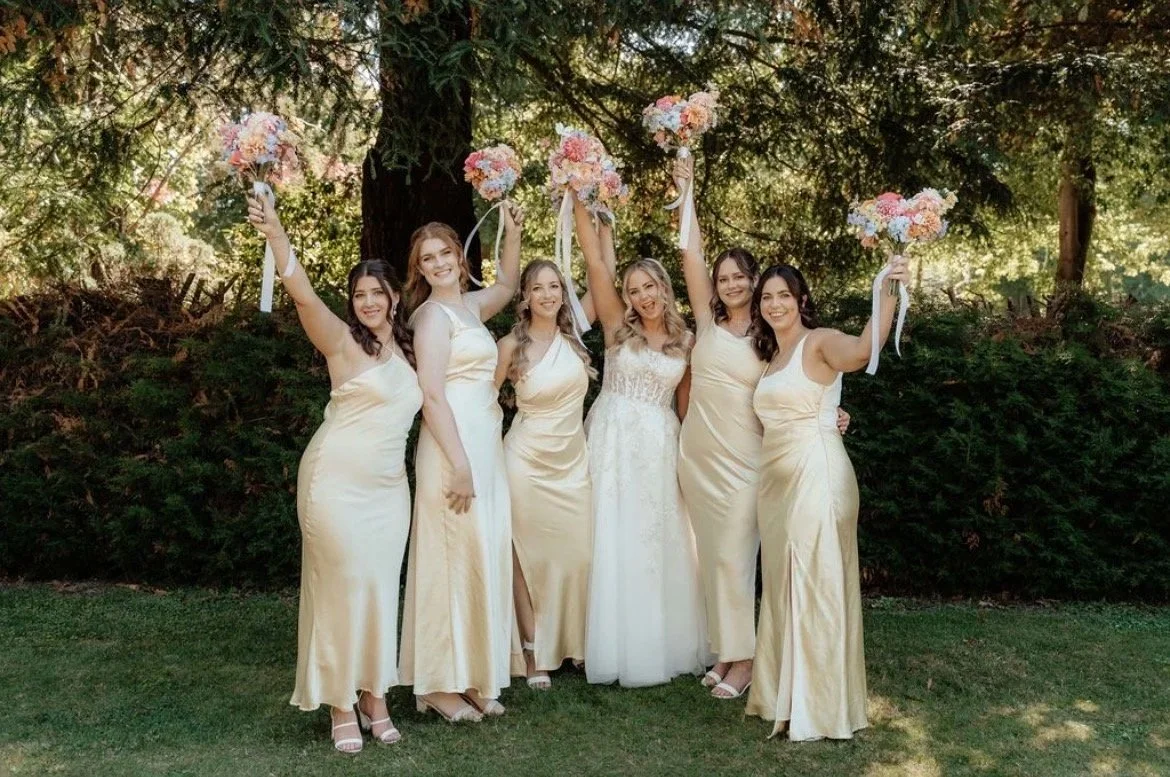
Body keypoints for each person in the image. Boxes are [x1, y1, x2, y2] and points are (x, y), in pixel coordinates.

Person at [246, 196, 420, 752]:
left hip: (391, 491)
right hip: (334, 484)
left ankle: (375, 695)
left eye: (377, 293)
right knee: (341, 586)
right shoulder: (341, 342)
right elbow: (301, 292)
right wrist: (276, 234)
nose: (367, 302)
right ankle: (341, 703)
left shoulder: (415, 351)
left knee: (376, 589)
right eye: (359, 295)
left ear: (394, 297)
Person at [672, 157, 848, 700]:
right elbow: (690, 252)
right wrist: (687, 190)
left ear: (756, 282)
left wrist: (832, 414)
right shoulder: (706, 320)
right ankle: (727, 652)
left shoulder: (773, 336)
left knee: (733, 555)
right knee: (711, 558)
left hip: (747, 460)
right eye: (721, 279)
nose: (727, 285)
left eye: (738, 278)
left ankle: (745, 660)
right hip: (696, 455)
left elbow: (808, 380)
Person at [744, 259, 909, 740]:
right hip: (776, 484)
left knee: (817, 584)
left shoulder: (820, 341)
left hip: (817, 474)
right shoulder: (774, 355)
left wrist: (888, 287)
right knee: (783, 585)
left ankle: (822, 705)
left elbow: (860, 351)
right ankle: (787, 695)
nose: (775, 304)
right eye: (767, 297)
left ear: (801, 301)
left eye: (784, 296)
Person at [571, 192, 711, 687]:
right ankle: (604, 642)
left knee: (658, 537)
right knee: (608, 533)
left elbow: (687, 407)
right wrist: (577, 192)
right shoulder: (615, 326)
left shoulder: (689, 341)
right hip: (611, 436)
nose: (643, 296)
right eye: (634, 289)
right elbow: (592, 261)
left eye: (649, 285)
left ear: (664, 288)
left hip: (659, 443)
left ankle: (661, 641)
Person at [397, 206, 522, 722]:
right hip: (453, 447)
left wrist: (511, 230)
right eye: (428, 259)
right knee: (448, 559)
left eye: (445, 252)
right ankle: (437, 687)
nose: (439, 263)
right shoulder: (430, 317)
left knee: (479, 553)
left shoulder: (472, 306)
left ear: (459, 254)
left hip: (484, 441)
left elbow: (510, 283)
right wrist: (460, 464)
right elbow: (431, 393)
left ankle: (470, 676)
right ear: (419, 269)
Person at [495, 257, 605, 689]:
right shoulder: (510, 347)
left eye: (555, 286)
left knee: (578, 555)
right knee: (527, 558)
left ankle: (573, 643)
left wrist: (592, 206)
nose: (547, 294)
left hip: (573, 463)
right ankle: (533, 649)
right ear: (524, 296)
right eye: (537, 287)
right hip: (526, 463)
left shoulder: (573, 335)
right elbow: (482, 402)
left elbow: (602, 278)